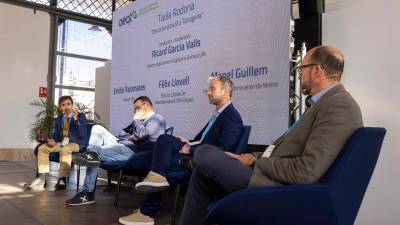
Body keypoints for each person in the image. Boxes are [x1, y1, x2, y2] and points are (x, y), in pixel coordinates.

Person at [177, 45, 364, 225]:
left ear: (316, 71)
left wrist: (256, 163)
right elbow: (286, 151)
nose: (299, 74)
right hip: (269, 176)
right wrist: (252, 156)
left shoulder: (338, 106)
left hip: (279, 190)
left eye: (302, 68)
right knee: (203, 172)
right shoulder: (323, 103)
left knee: (204, 153)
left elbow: (307, 171)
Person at [119, 76, 244, 225]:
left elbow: (223, 151)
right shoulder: (218, 114)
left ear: (225, 92)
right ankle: (152, 194)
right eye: (208, 89)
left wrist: (191, 150)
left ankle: (146, 213)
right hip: (195, 149)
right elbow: (204, 140)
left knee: (158, 161)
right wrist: (188, 142)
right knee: (164, 140)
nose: (208, 92)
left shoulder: (232, 117)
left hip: (199, 160)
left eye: (212, 89)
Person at [66, 96, 165, 205]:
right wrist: (132, 136)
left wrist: (136, 122)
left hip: (134, 154)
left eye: (136, 108)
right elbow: (122, 133)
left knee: (94, 154)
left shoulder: (157, 119)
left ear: (145, 106)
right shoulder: (141, 121)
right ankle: (91, 155)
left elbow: (142, 134)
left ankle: (87, 193)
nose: (135, 111)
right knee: (97, 128)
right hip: (122, 145)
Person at [24, 96, 88, 190]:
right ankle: (41, 179)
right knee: (42, 148)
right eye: (63, 105)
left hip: (76, 143)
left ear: (72, 105)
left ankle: (63, 178)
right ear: (60, 107)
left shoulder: (80, 116)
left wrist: (75, 119)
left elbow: (82, 134)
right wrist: (52, 141)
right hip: (62, 143)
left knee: (65, 149)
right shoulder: (59, 119)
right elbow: (57, 136)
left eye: (68, 104)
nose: (66, 107)